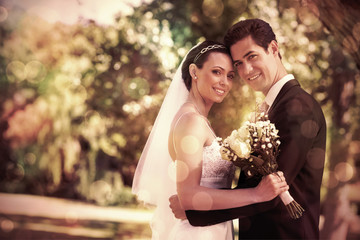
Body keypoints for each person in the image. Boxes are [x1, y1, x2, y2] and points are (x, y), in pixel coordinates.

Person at [170, 18, 327, 239]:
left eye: (252, 57)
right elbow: (257, 188)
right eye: (238, 64)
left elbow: (271, 193)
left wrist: (195, 213)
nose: (246, 70)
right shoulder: (273, 107)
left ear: (273, 48)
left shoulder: (296, 107)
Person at [132, 40, 289, 240]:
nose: (225, 81)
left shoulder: (200, 121)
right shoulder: (191, 121)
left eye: (230, 76)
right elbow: (188, 196)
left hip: (212, 229)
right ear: (194, 72)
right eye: (217, 72)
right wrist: (256, 194)